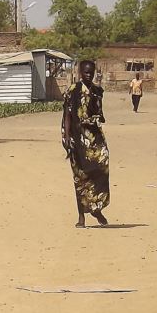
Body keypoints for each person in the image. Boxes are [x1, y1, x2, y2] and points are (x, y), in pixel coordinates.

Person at [62, 59, 110, 228]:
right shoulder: (72, 91)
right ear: (80, 73)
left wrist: (96, 118)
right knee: (80, 177)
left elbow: (100, 114)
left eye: (91, 72)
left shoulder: (97, 91)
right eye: (86, 72)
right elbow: (67, 115)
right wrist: (67, 137)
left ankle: (96, 209)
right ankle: (81, 216)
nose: (89, 75)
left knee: (101, 170)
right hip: (77, 138)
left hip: (95, 138)